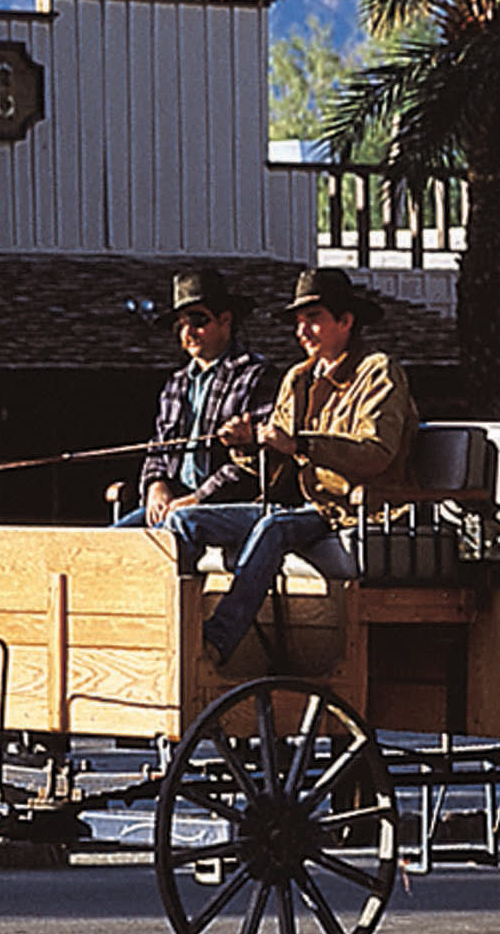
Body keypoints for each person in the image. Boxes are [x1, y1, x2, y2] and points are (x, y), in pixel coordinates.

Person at [168, 265, 419, 668]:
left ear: (346, 321)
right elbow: (275, 459)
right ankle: (172, 631)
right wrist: (247, 444)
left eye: (313, 319)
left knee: (273, 527)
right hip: (305, 506)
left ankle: (215, 645)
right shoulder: (297, 378)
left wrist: (301, 444)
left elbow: (376, 452)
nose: (302, 331)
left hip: (354, 511)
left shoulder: (379, 372)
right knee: (185, 523)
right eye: (298, 322)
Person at [119, 265, 281, 527]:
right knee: (108, 543)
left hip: (229, 507)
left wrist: (198, 498)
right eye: (180, 325)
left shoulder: (257, 376)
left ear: (225, 320)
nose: (187, 333)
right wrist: (155, 485)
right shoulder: (177, 383)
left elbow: (255, 463)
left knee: (170, 530)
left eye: (197, 321)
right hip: (175, 505)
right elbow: (158, 447)